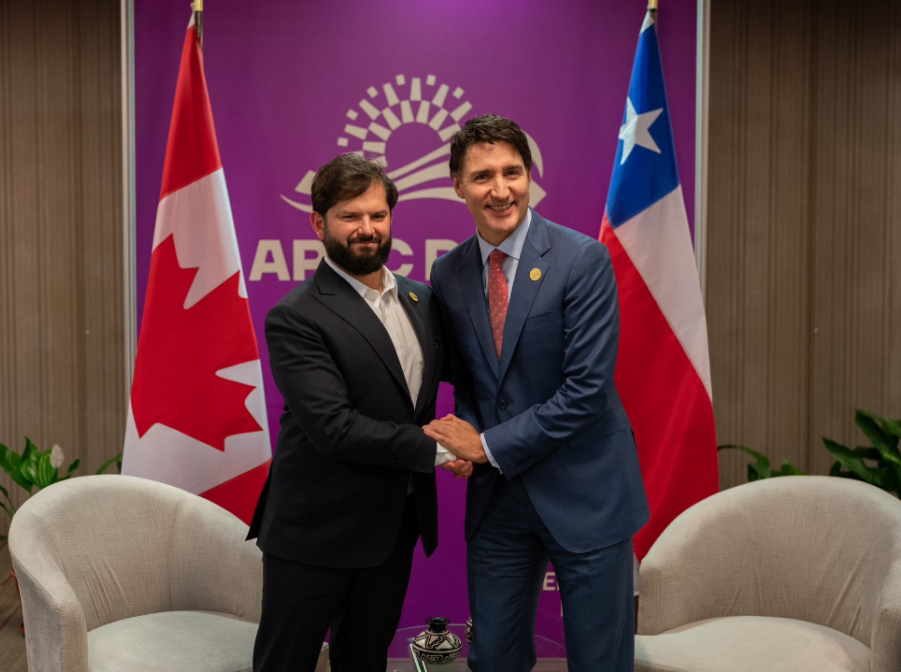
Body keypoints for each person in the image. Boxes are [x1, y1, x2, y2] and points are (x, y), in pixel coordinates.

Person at [426, 114, 650, 672]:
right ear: (458, 185)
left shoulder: (583, 260)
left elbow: (587, 390)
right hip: (499, 503)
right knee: (493, 659)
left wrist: (488, 445)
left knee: (600, 662)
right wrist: (469, 438)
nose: (500, 190)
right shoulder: (447, 272)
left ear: (530, 176)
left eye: (513, 172)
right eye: (482, 177)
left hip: (587, 493)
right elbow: (474, 379)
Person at [248, 153, 470, 672]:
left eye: (378, 214)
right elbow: (335, 428)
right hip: (314, 533)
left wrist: (482, 433)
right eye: (351, 216)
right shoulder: (297, 315)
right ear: (319, 223)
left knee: (366, 661)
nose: (367, 229)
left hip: (393, 528)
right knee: (285, 664)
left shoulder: (422, 299)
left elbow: (466, 380)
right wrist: (445, 450)